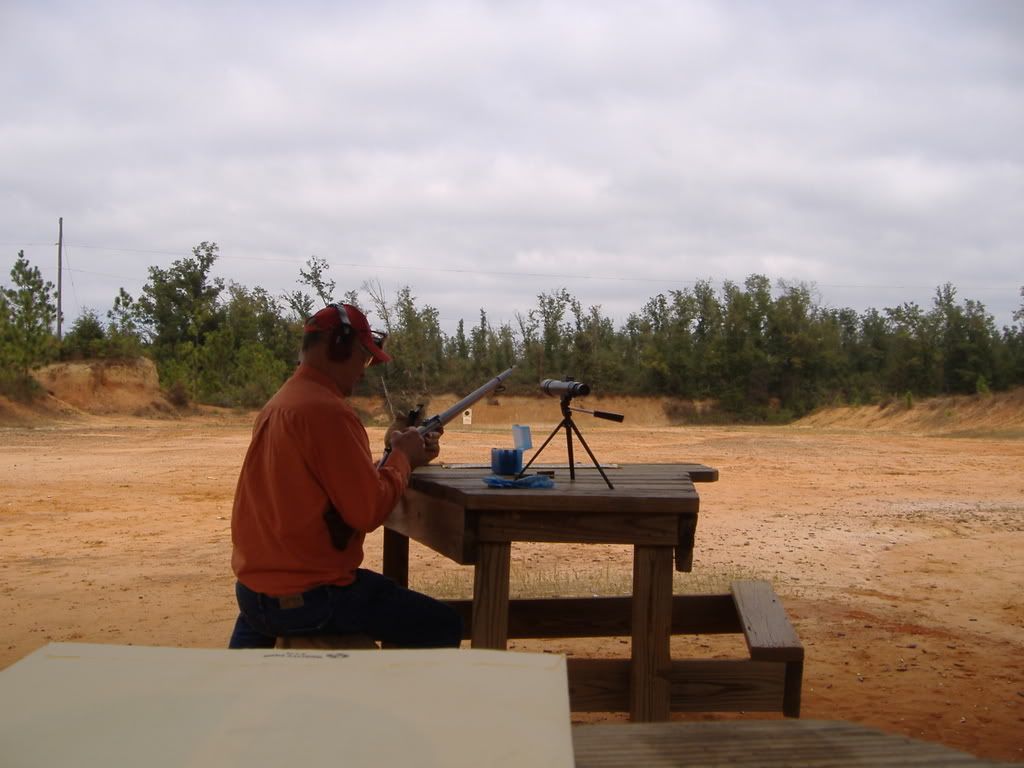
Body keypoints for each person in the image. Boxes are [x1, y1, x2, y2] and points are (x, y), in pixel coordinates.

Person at [228, 302, 462, 649]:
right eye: (364, 359)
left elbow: (330, 491)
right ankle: (390, 703)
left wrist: (400, 458)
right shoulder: (328, 411)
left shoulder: (281, 403)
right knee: (442, 625)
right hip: (310, 596)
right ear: (337, 348)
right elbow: (367, 512)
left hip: (254, 593)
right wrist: (402, 458)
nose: (363, 371)